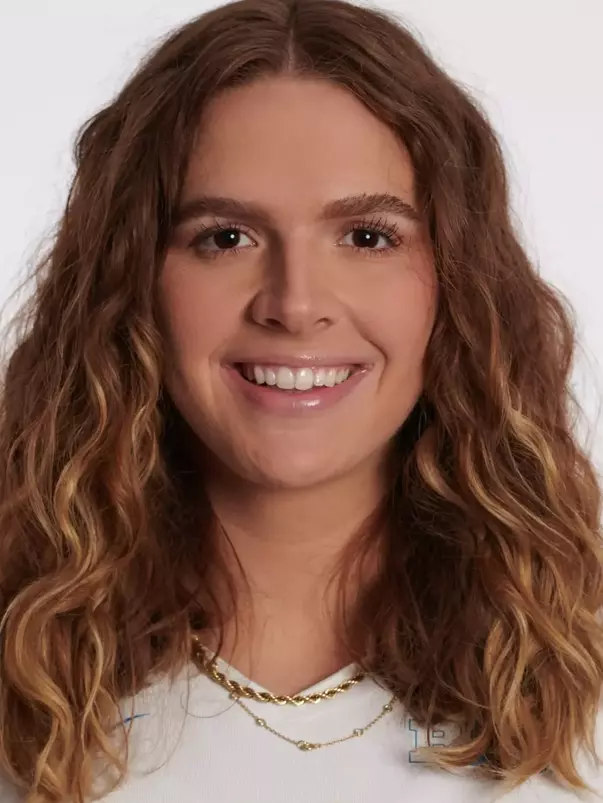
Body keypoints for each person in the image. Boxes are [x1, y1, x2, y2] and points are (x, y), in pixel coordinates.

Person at [0, 0, 602, 800]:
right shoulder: (22, 673)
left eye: (366, 237)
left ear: (458, 282)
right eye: (224, 237)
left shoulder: (581, 672)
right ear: (130, 282)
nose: (294, 302)